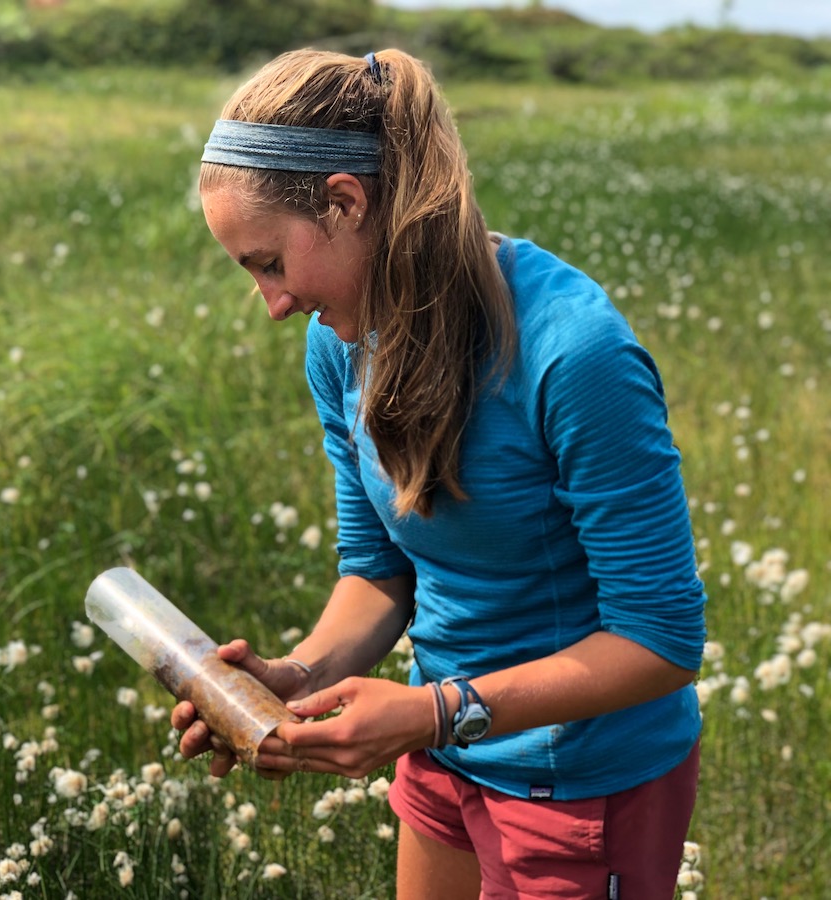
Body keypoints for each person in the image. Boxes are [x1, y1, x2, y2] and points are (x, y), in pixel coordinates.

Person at [170, 48, 705, 899]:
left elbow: (662, 642)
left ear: (346, 202)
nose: (273, 304)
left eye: (270, 262)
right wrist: (298, 680)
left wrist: (432, 712)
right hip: (443, 757)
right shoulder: (339, 346)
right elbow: (379, 571)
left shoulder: (575, 353)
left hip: (583, 782)